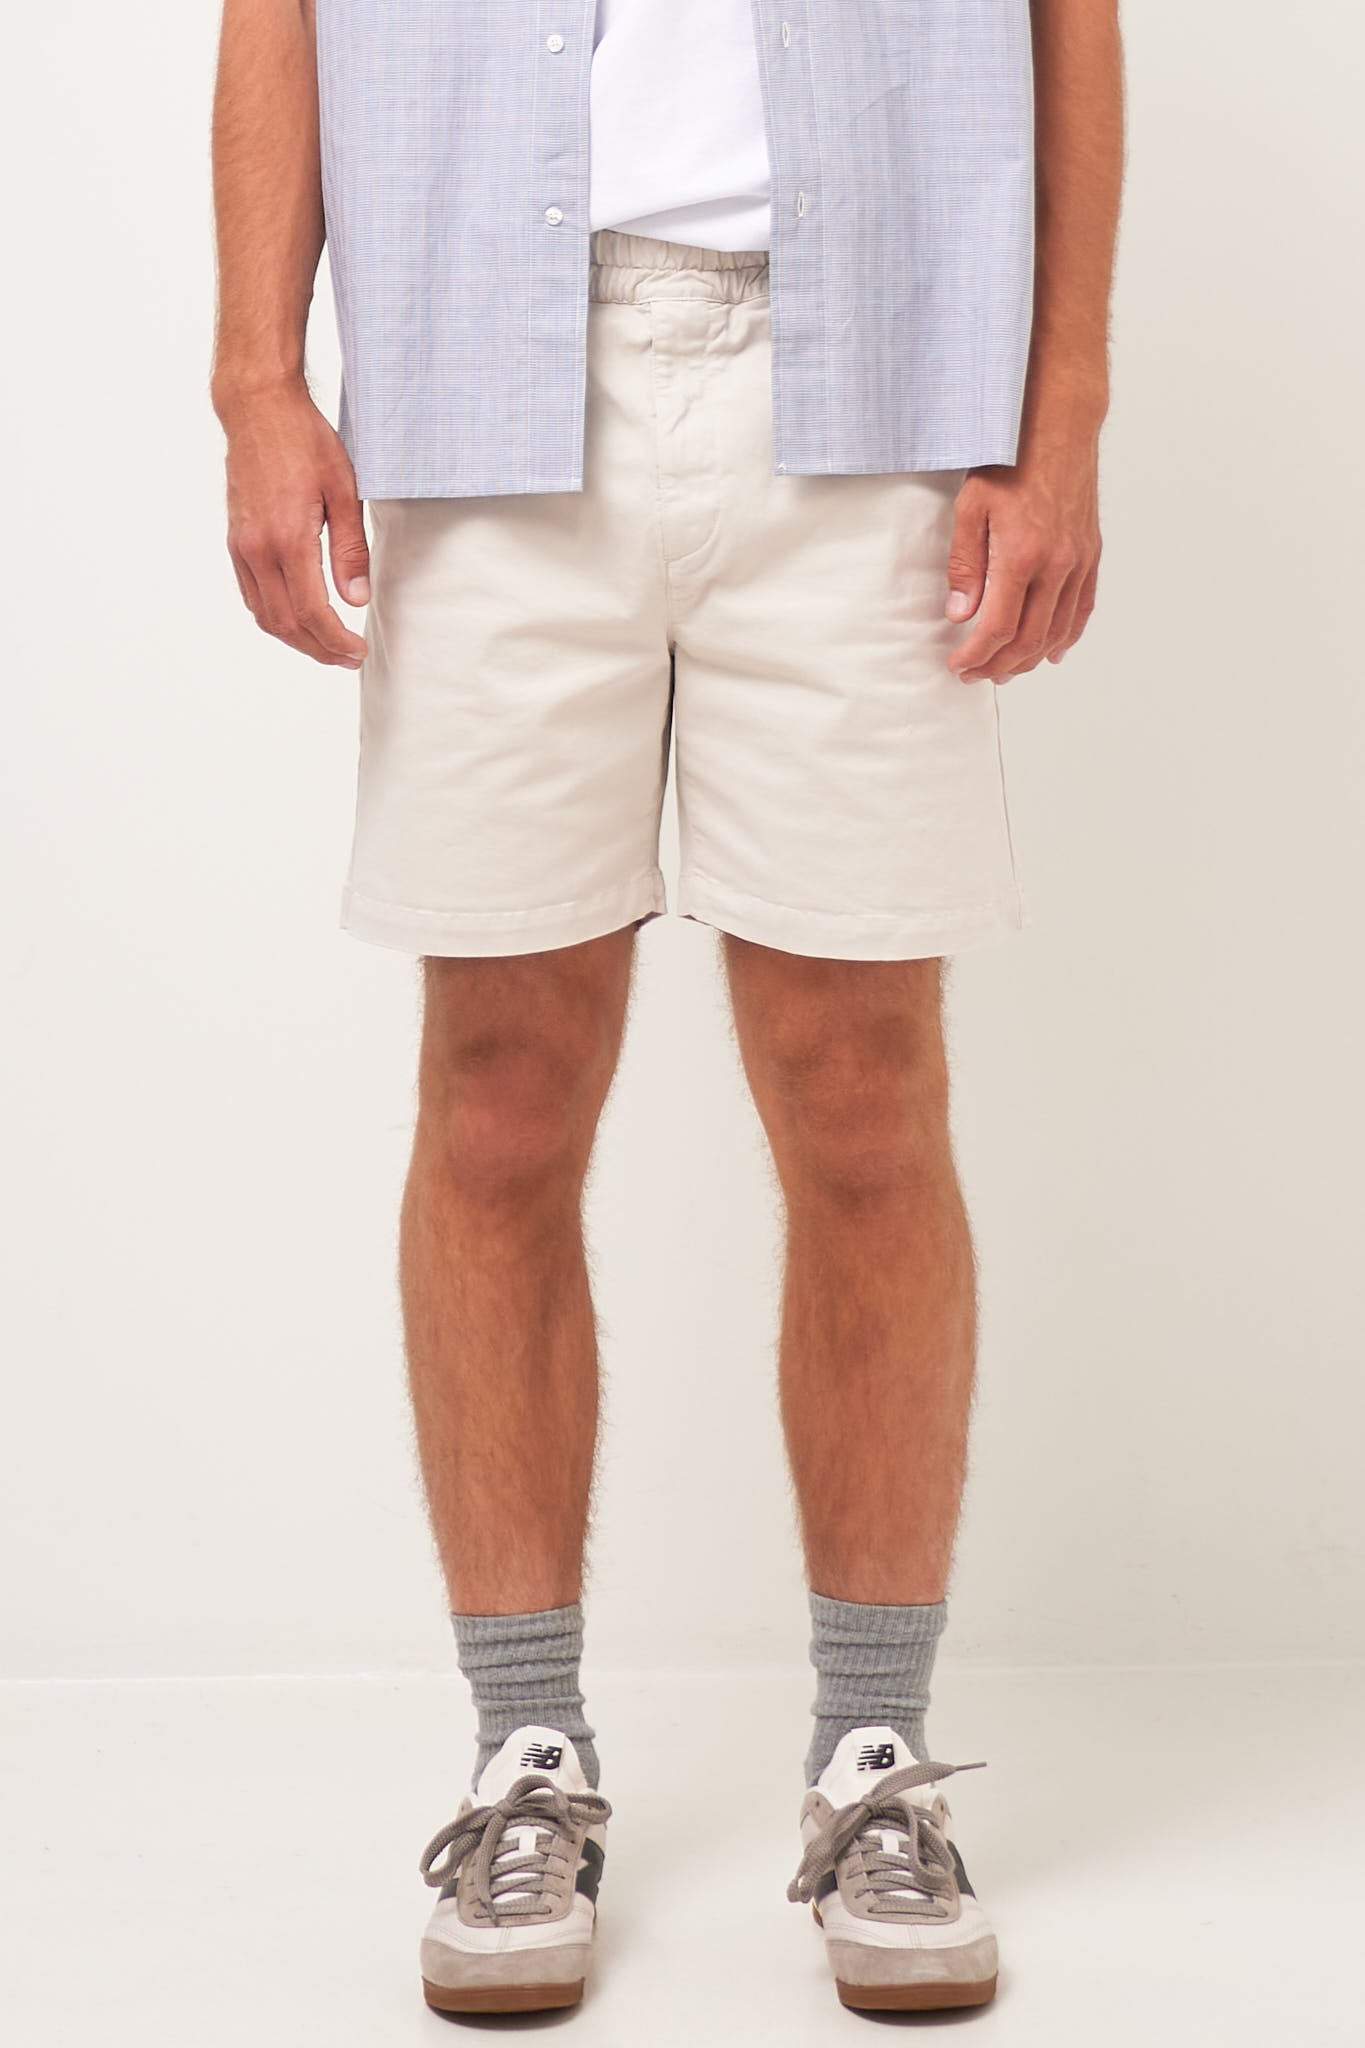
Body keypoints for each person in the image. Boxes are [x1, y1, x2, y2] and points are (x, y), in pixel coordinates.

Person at [211, 0, 1123, 2016]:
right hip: (481, 351)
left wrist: (1060, 414)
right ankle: (522, 1751)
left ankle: (874, 1754)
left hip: (881, 374)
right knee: (498, 1094)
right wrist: (255, 376)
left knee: (862, 1091)